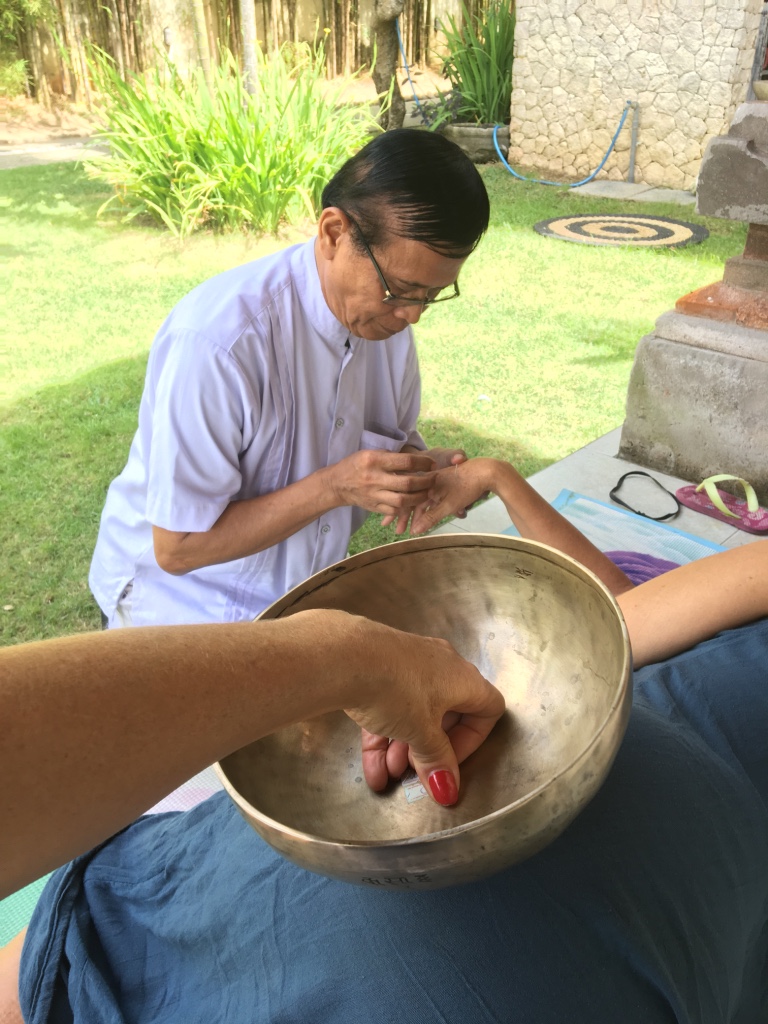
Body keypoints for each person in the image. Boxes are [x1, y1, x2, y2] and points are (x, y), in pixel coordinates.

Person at [4, 479, 768, 1022]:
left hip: (547, 953)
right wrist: (342, 657)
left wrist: (341, 657)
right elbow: (617, 619)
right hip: (268, 885)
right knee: (86, 944)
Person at [89, 129, 490, 628]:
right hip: (178, 610)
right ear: (334, 233)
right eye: (401, 289)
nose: (413, 315)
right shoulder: (220, 342)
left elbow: (381, 444)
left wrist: (416, 472)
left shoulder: (388, 327)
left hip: (297, 607)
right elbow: (178, 547)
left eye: (431, 295)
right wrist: (336, 487)